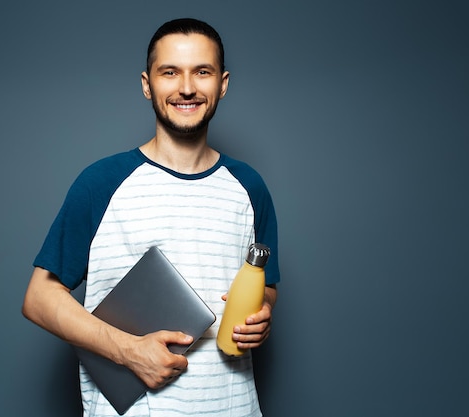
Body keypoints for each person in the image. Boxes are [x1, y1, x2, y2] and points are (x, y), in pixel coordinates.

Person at [22, 18, 280, 416]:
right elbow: (39, 298)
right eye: (170, 72)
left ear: (223, 84)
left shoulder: (249, 187)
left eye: (203, 72)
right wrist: (128, 351)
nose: (187, 87)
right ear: (147, 84)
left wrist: (261, 312)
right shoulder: (101, 182)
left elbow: (266, 287)